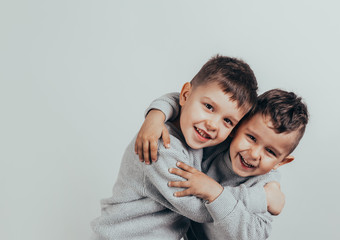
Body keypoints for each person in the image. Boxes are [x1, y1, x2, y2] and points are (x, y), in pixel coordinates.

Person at [91, 55, 276, 240]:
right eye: (209, 107)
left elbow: (267, 150)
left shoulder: (198, 136)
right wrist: (261, 198)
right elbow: (199, 210)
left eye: (227, 121)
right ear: (186, 95)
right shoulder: (162, 146)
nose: (213, 124)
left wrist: (159, 110)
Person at [136, 88, 309, 239]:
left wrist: (216, 194)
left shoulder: (265, 192)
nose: (254, 154)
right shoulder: (216, 141)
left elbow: (252, 236)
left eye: (270, 152)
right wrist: (156, 115)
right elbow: (190, 100)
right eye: (251, 138)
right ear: (236, 126)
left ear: (281, 162)